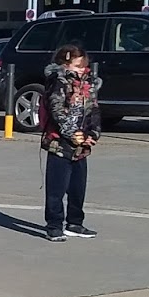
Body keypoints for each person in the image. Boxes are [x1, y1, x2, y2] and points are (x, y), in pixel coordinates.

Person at [41, 42, 101, 241]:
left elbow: (93, 110)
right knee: (56, 188)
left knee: (78, 187)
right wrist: (71, 133)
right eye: (77, 66)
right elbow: (56, 111)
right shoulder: (57, 83)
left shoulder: (88, 85)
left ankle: (75, 223)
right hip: (60, 142)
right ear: (64, 64)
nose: (82, 70)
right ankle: (54, 225)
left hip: (82, 144)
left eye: (84, 66)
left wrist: (93, 133)